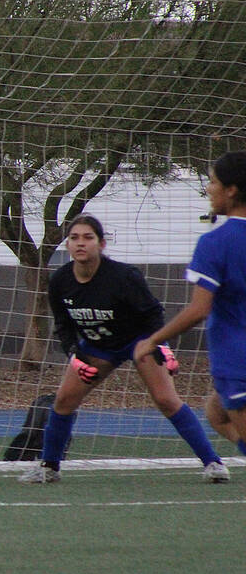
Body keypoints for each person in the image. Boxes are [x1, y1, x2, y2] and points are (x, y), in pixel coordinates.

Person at [20, 214, 228, 484]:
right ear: (68, 245)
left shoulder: (123, 276)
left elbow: (153, 313)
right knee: (64, 400)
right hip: (97, 346)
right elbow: (62, 323)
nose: (80, 243)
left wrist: (159, 346)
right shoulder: (60, 281)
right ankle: (49, 467)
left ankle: (213, 462)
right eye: (74, 238)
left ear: (101, 244)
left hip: (138, 341)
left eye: (88, 237)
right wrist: (74, 352)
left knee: (166, 399)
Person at [133, 151, 246, 462]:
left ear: (231, 190)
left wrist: (153, 340)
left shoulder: (215, 243)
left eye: (213, 182)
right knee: (216, 412)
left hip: (237, 361)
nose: (209, 189)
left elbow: (199, 310)